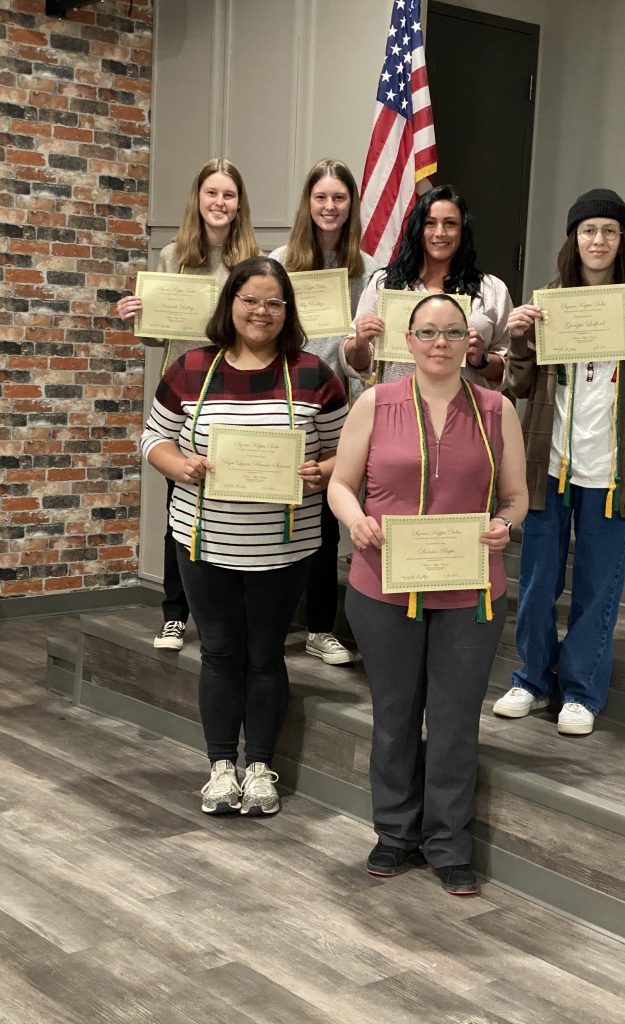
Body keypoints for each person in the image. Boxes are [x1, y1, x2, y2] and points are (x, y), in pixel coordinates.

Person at [329, 294, 527, 896]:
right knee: (393, 715)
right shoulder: (374, 402)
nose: (439, 342)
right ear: (407, 341)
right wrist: (355, 520)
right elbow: (340, 483)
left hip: (469, 591)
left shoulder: (497, 410)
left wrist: (505, 525)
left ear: (470, 343)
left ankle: (447, 842)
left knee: (454, 721)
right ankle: (394, 833)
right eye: (426, 332)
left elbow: (516, 499)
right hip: (383, 585)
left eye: (451, 332)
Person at [141, 256, 348, 816]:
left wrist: (320, 473)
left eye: (274, 303)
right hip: (204, 543)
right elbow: (152, 439)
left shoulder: (312, 374)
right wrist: (179, 466)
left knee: (265, 657)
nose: (261, 311)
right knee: (220, 654)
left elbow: (348, 453)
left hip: (285, 547)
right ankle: (219, 767)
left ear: (289, 310)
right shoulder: (189, 368)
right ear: (230, 303)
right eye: (250, 300)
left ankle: (259, 766)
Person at [493, 189, 625, 737]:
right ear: (574, 238)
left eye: (609, 232)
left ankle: (581, 691)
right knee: (536, 580)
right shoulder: (551, 298)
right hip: (549, 466)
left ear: (623, 242)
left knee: (599, 584)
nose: (598, 241)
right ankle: (530, 678)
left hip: (610, 471)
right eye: (588, 230)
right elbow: (519, 385)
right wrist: (521, 340)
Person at [118, 158, 260, 651]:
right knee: (181, 499)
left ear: (240, 204)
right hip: (183, 395)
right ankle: (174, 614)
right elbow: (159, 337)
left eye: (228, 195)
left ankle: (230, 613)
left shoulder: (252, 260)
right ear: (197, 200)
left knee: (233, 502)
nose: (219, 203)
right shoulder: (173, 254)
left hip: (236, 393)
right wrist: (138, 317)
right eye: (211, 194)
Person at [271, 159, 378, 667]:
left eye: (339, 198)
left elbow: (366, 361)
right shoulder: (278, 262)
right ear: (307, 204)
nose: (330, 207)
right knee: (271, 513)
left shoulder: (369, 269)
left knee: (324, 518)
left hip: (339, 411)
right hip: (283, 403)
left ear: (351, 204)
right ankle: (269, 622)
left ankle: (318, 627)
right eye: (321, 198)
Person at [340, 184, 511, 390]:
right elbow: (358, 364)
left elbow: (509, 370)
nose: (440, 233)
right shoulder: (385, 284)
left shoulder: (492, 290)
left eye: (450, 224)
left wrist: (481, 359)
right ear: (418, 230)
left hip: (465, 414)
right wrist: (359, 343)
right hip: (396, 412)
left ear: (463, 230)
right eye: (430, 223)